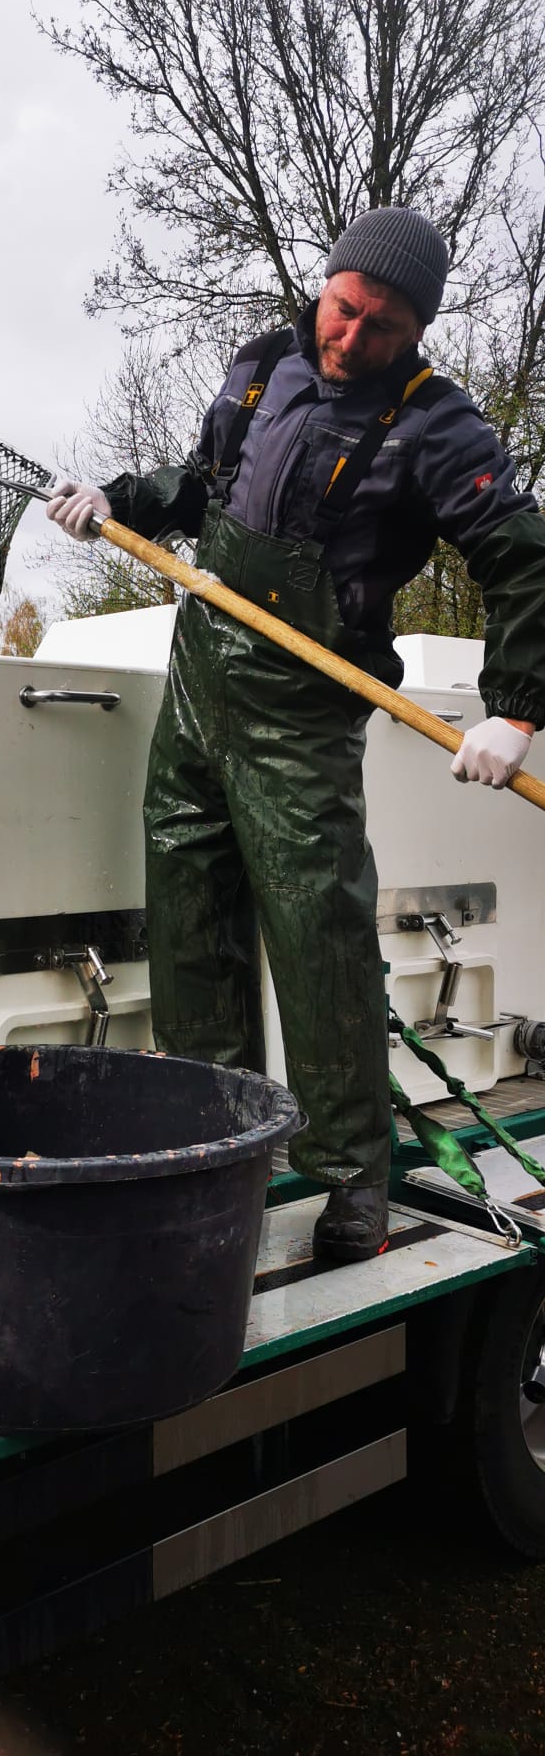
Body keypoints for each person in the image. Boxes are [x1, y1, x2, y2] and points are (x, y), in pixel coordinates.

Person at [46, 206, 545, 1263]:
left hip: (304, 710)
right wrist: (117, 499)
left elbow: (524, 559)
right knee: (190, 926)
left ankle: (355, 1174)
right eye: (344, 307)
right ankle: (208, 1149)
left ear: (417, 331)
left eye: (382, 326)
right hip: (198, 683)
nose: (351, 336)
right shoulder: (264, 363)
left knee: (320, 940)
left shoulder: (440, 425)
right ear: (326, 283)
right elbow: (203, 487)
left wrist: (515, 709)